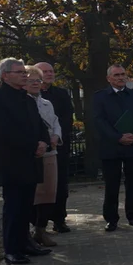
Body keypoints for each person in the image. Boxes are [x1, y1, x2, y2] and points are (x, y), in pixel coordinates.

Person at [0, 58, 50, 264]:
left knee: (26, 206)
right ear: (5, 76)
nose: (25, 75)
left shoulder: (27, 99)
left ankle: (26, 244)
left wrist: (43, 142)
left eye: (24, 71)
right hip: (12, 162)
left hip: (31, 161)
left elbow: (40, 125)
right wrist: (34, 146)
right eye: (20, 72)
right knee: (13, 207)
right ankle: (11, 249)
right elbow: (4, 132)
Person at [92, 64, 133, 231]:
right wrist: (118, 137)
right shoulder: (100, 97)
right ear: (109, 78)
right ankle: (111, 219)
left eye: (123, 74)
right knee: (112, 185)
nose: (120, 78)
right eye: (116, 75)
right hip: (111, 147)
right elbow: (99, 121)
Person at [25, 65, 62, 247]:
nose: (35, 84)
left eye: (38, 81)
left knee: (49, 193)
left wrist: (56, 135)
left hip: (50, 152)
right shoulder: (22, 103)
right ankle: (31, 230)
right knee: (33, 194)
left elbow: (55, 122)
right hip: (31, 153)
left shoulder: (47, 103)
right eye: (31, 80)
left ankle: (41, 229)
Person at [36, 61, 74, 233]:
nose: (50, 74)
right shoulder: (28, 95)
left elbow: (66, 118)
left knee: (60, 185)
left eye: (51, 71)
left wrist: (56, 136)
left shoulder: (61, 94)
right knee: (40, 186)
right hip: (38, 148)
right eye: (45, 71)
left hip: (59, 145)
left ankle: (59, 219)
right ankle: (38, 223)